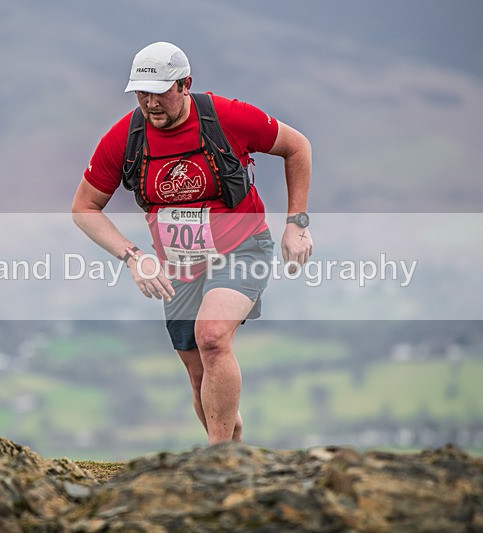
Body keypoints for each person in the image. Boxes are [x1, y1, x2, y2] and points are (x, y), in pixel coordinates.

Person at [72, 42, 312, 444]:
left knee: (212, 337)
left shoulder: (226, 117)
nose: (150, 103)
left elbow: (297, 146)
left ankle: (217, 458)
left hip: (242, 247)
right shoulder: (125, 137)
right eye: (141, 93)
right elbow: (84, 208)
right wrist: (133, 257)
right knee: (199, 372)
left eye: (160, 92)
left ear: (185, 84)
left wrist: (297, 223)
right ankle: (232, 448)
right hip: (180, 265)